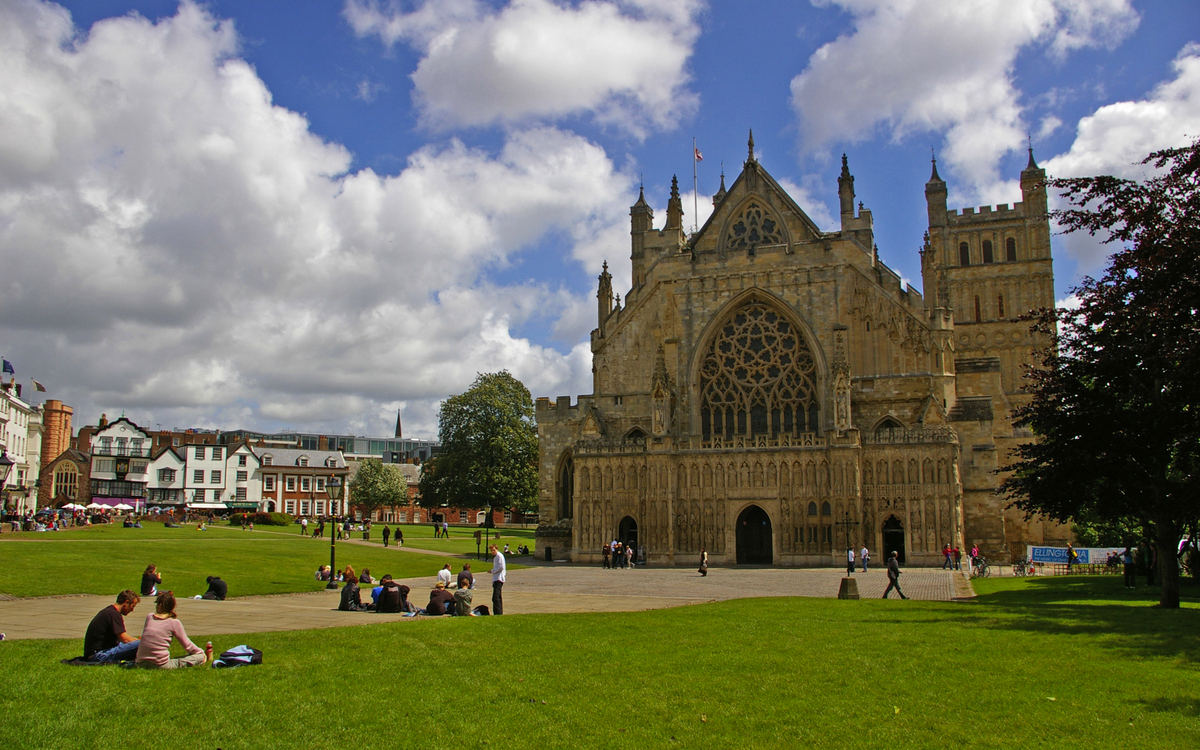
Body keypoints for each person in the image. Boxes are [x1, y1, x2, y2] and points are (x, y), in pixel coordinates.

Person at [135, 591, 211, 669]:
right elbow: (187, 645)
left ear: (160, 605)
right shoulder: (173, 623)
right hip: (160, 664)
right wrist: (201, 653)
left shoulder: (149, 617)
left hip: (140, 663)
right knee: (198, 657)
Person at [83, 590, 141, 662]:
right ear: (126, 603)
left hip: (94, 654)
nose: (132, 610)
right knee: (143, 643)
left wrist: (135, 640)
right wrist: (140, 641)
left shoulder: (109, 611)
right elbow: (124, 639)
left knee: (139, 642)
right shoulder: (114, 614)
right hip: (99, 655)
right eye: (132, 606)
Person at [489, 544, 506, 615]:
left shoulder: (499, 556)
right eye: (491, 550)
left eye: (494, 550)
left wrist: (493, 570)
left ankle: (498, 612)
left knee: (496, 596)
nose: (493, 552)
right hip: (496, 578)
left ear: (497, 549)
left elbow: (501, 567)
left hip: (499, 578)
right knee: (497, 596)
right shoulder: (496, 557)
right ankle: (498, 612)